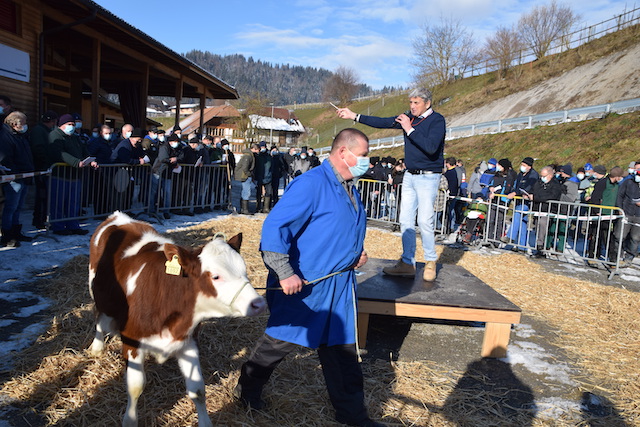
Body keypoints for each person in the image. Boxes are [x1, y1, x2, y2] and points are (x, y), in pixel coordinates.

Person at [235, 128, 383, 427]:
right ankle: (247, 389)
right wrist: (285, 272)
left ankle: (353, 416)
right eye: (364, 155)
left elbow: (336, 229)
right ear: (343, 152)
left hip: (339, 287)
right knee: (279, 342)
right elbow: (275, 228)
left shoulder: (349, 187)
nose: (367, 162)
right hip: (306, 285)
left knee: (342, 352)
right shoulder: (311, 184)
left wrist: (355, 255)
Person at [337, 87, 445, 281]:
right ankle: (407, 262)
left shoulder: (437, 120)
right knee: (405, 220)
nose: (412, 106)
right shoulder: (408, 118)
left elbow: (431, 147)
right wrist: (354, 116)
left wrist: (409, 129)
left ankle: (430, 261)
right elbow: (383, 122)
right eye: (410, 102)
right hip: (410, 175)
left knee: (424, 221)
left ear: (427, 103)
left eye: (416, 103)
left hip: (428, 176)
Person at [47, 113, 97, 235]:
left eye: (73, 124)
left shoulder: (74, 137)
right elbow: (59, 153)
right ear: (62, 125)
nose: (72, 126)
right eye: (69, 124)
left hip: (74, 176)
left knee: (73, 203)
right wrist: (76, 162)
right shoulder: (55, 135)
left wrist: (90, 160)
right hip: (60, 175)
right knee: (58, 203)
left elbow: (84, 150)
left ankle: (73, 225)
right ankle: (58, 226)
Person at [0, 111, 34, 247]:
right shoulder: (5, 136)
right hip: (14, 177)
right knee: (11, 207)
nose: (26, 126)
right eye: (24, 123)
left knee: (18, 207)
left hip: (23, 176)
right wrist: (16, 172)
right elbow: (6, 158)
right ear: (15, 124)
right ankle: (7, 234)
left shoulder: (21, 136)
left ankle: (16, 231)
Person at [522, 166, 562, 257]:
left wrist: (535, 197)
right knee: (537, 226)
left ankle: (540, 246)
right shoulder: (538, 182)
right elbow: (533, 190)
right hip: (537, 209)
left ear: (550, 175)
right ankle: (539, 247)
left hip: (548, 210)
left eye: (544, 176)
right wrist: (528, 195)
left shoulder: (555, 185)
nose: (542, 178)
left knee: (542, 224)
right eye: (541, 176)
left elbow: (551, 196)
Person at [29, 110, 58, 230]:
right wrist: (47, 162)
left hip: (45, 167)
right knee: (42, 196)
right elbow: (38, 149)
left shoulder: (45, 131)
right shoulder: (39, 131)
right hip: (41, 168)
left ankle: (43, 219)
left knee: (46, 196)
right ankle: (39, 219)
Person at [612, 161, 640, 267]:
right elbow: (620, 195)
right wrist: (620, 208)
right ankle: (616, 256)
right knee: (619, 236)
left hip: (638, 216)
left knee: (635, 238)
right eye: (636, 169)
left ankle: (629, 258)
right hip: (626, 213)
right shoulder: (628, 182)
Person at [234, 143, 259, 214]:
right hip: (244, 176)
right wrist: (249, 174)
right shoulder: (248, 156)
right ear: (254, 149)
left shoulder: (249, 155)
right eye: (258, 150)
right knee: (246, 191)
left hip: (245, 175)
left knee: (245, 191)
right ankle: (244, 209)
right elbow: (245, 167)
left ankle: (243, 208)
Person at [254, 141, 273, 213]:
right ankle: (258, 207)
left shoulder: (269, 156)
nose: (262, 148)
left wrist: (271, 174)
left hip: (268, 177)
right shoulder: (257, 156)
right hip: (259, 176)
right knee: (258, 192)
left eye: (263, 147)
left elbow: (272, 166)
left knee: (268, 192)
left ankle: (266, 207)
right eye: (261, 147)